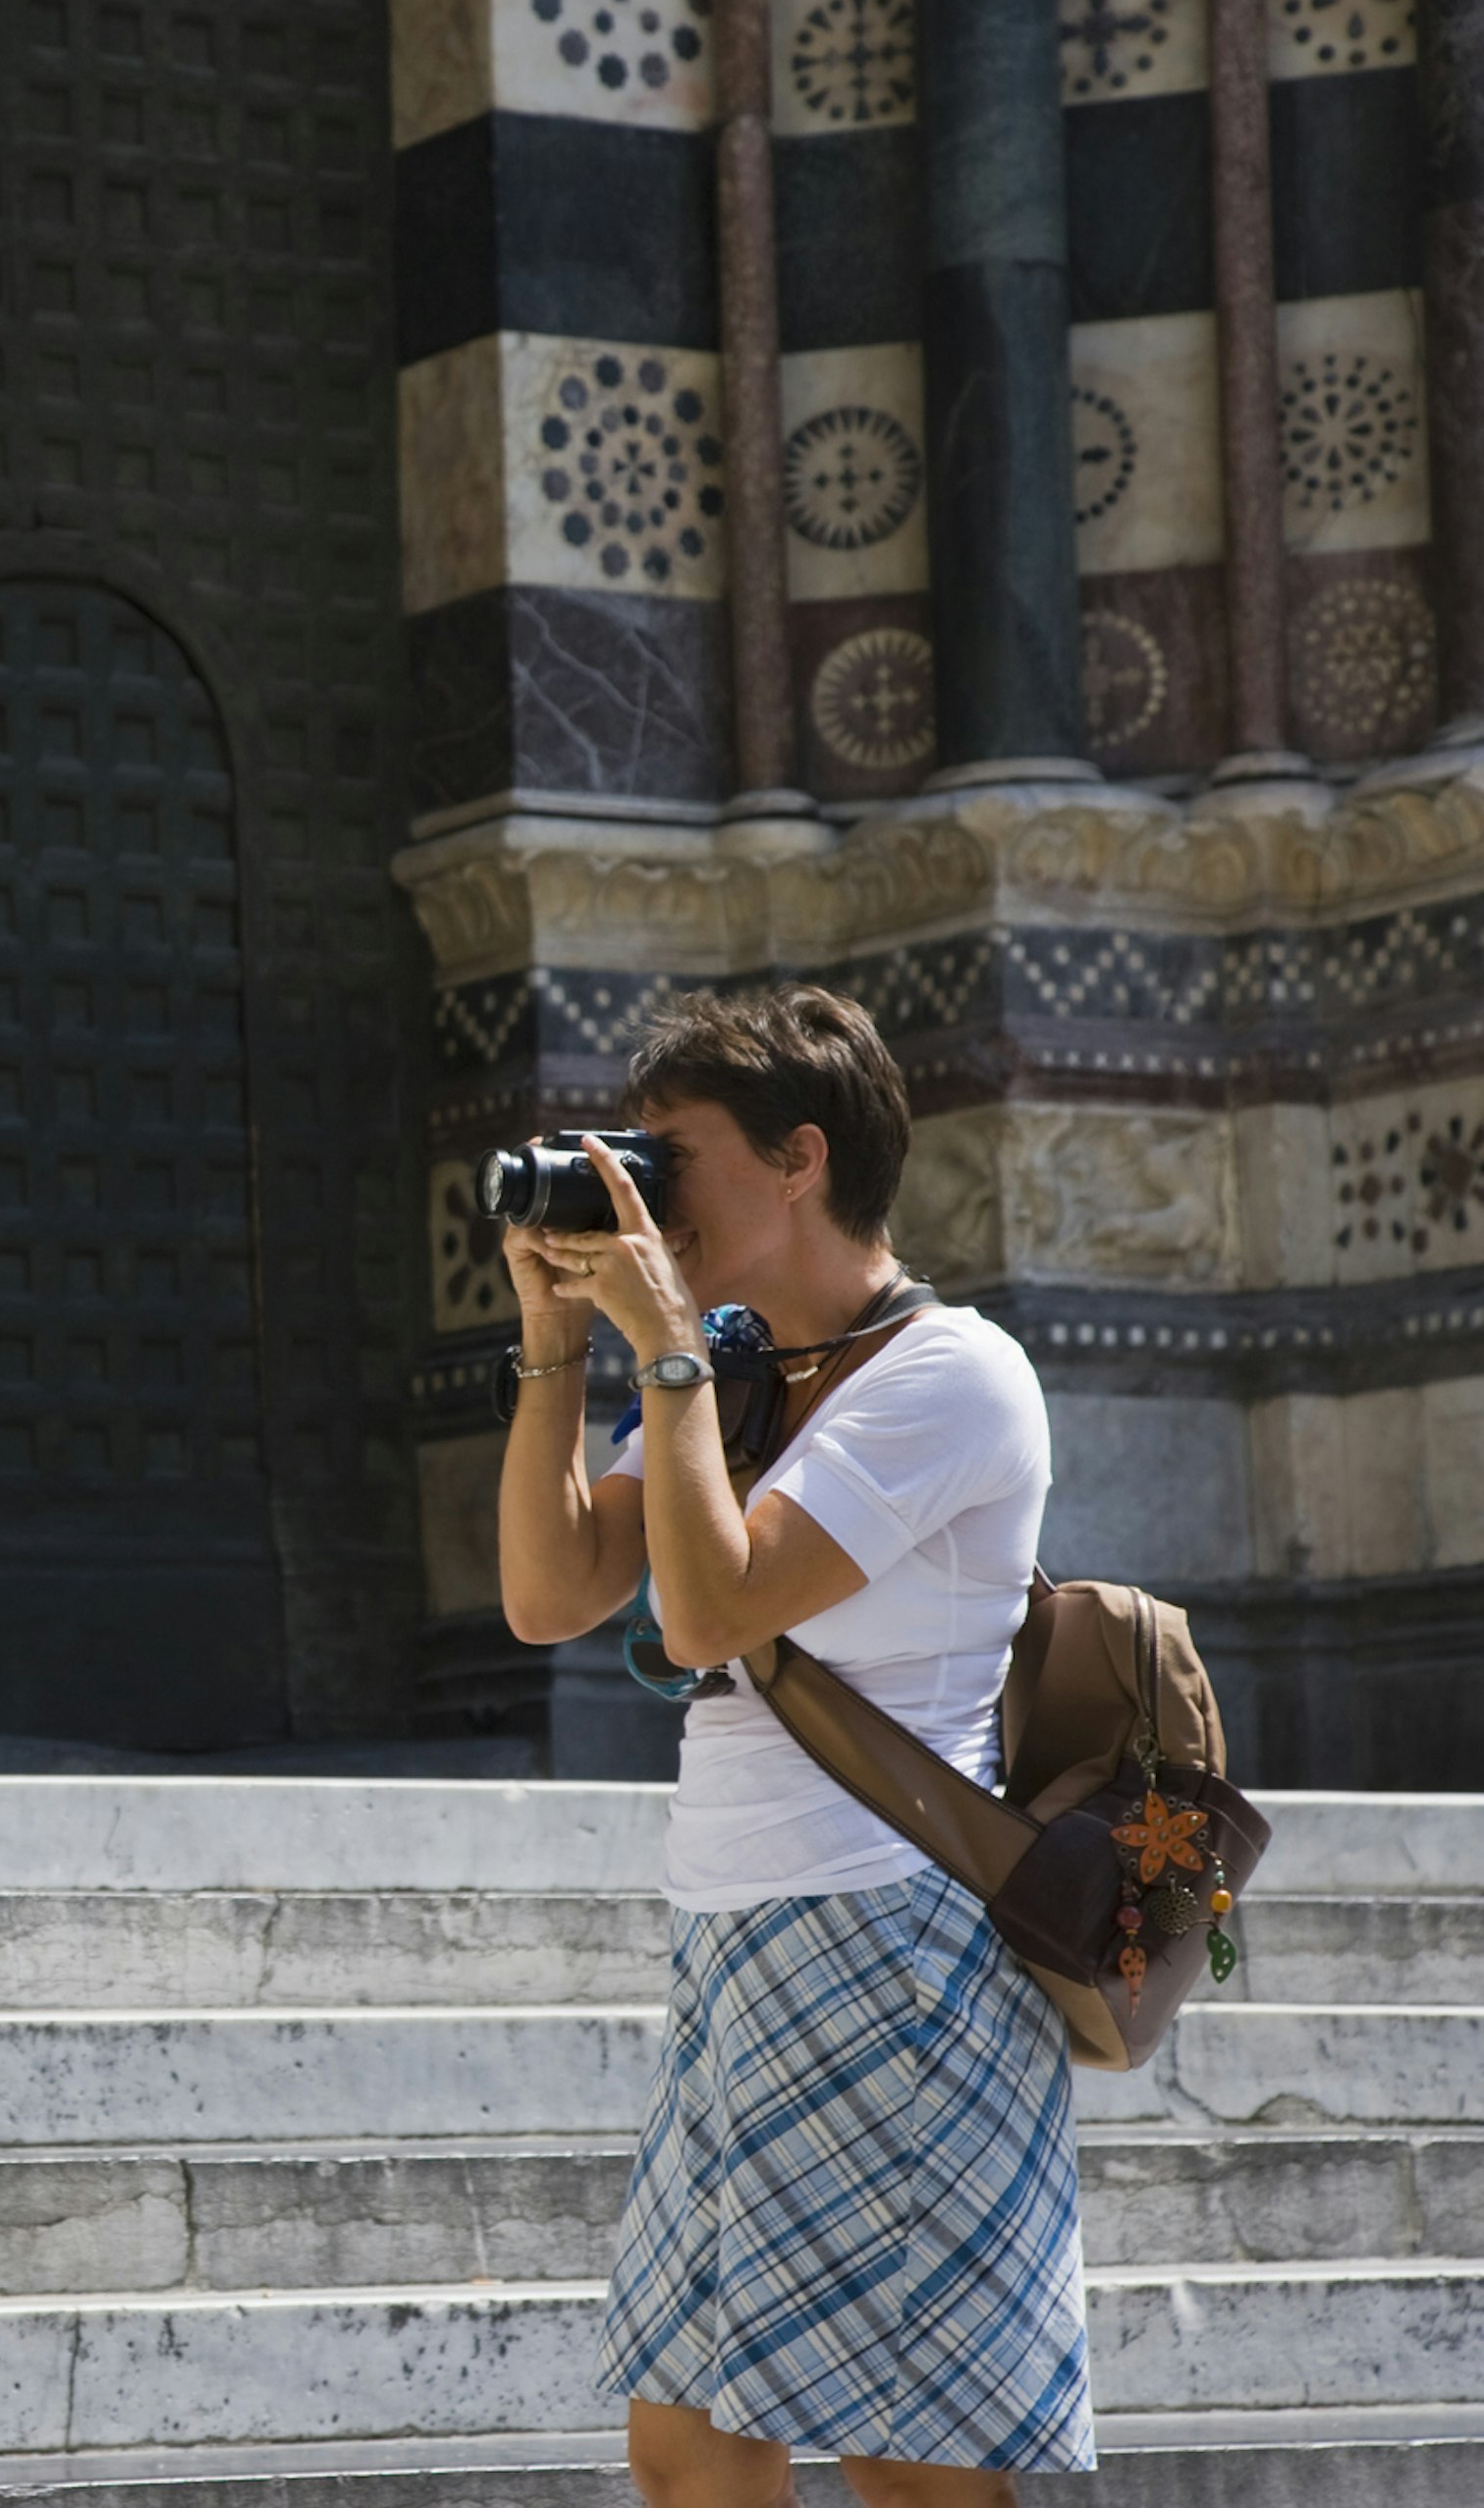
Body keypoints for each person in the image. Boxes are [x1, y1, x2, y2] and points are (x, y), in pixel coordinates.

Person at [495, 986, 1083, 2508]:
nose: (649, 1195)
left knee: (918, 2457)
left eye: (674, 1157)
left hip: (892, 1941)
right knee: (689, 2448)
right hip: (733, 1935)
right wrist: (558, 1344)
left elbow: (709, 1612)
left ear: (802, 1158)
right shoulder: (742, 1370)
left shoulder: (952, 1376)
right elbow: (552, 1592)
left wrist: (669, 1352)